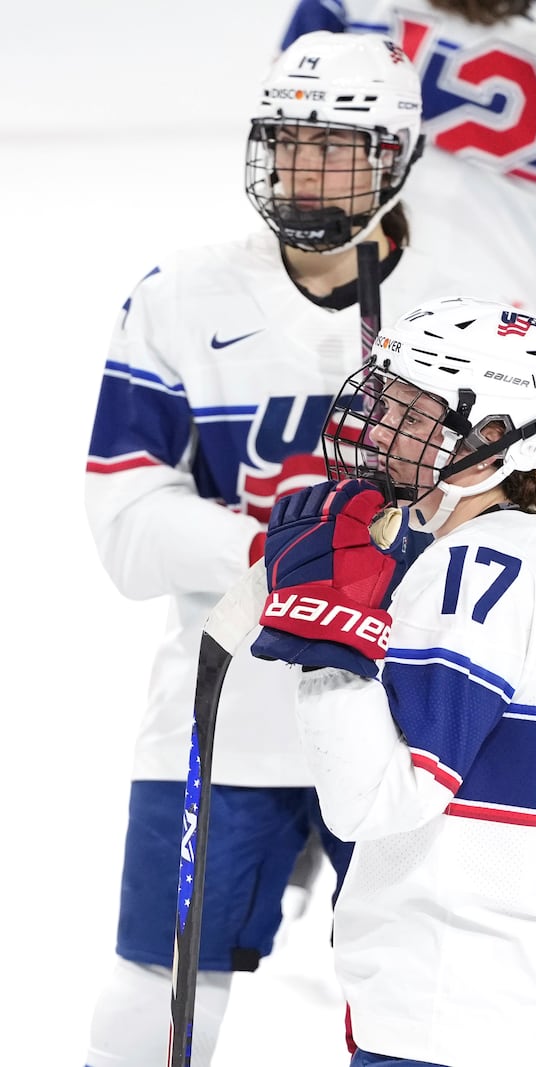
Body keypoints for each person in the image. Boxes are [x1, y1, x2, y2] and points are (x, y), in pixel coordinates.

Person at [82, 33, 504, 1067]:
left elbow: (520, 518)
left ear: (399, 154)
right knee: (158, 990)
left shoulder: (474, 300)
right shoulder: (179, 294)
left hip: (416, 713)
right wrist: (292, 545)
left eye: (340, 148)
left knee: (427, 998)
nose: (309, 171)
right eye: (291, 144)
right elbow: (128, 529)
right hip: (229, 714)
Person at [250, 295, 536, 1066]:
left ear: (493, 438)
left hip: (459, 996)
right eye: (385, 397)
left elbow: (378, 798)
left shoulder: (471, 570)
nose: (380, 425)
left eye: (412, 408)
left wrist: (330, 647)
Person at [278, 0, 536, 535]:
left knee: (517, 585)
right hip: (356, 335)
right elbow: (289, 144)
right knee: (332, 561)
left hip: (516, 358)